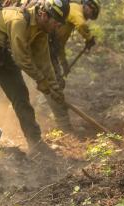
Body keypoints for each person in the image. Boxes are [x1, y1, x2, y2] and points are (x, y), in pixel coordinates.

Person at [0, 0, 70, 154]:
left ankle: (36, 142)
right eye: (56, 22)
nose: (58, 27)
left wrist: (55, 89)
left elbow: (44, 62)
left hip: (5, 53)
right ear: (44, 15)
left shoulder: (42, 30)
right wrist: (40, 81)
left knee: (21, 97)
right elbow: (22, 59)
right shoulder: (18, 20)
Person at [46, 0, 100, 131]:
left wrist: (64, 63)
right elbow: (81, 24)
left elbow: (59, 45)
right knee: (55, 84)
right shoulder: (75, 8)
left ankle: (49, 110)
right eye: (90, 13)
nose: (88, 17)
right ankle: (63, 125)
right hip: (45, 46)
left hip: (51, 48)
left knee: (56, 83)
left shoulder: (71, 18)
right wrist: (89, 38)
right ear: (88, 6)